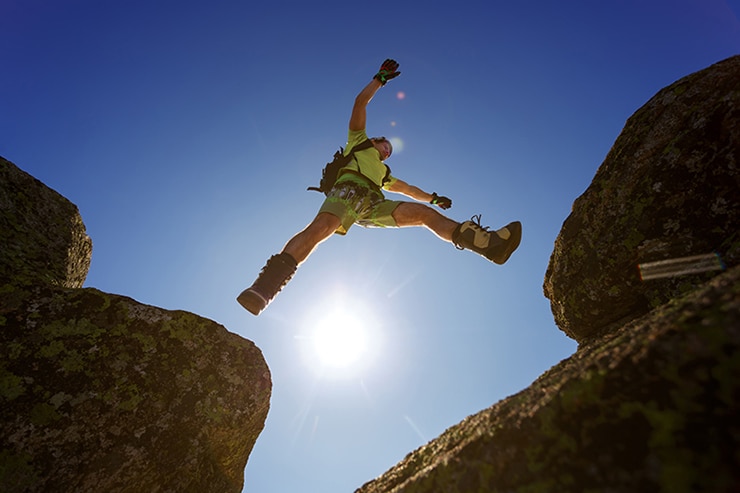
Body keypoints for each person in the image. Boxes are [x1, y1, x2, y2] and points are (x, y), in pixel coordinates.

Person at [237, 59, 521, 316]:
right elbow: (360, 103)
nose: (386, 151)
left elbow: (408, 188)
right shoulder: (358, 141)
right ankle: (263, 289)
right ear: (373, 140)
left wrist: (433, 199)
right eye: (384, 145)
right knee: (322, 228)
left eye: (388, 151)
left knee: (424, 215)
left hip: (373, 203)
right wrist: (379, 79)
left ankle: (489, 246)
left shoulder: (384, 172)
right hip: (346, 192)